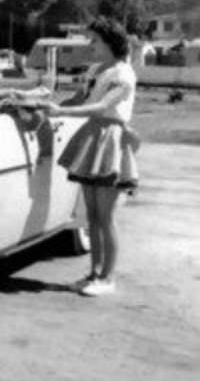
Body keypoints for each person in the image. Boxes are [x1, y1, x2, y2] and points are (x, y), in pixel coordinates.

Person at [44, 17, 139, 297]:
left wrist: (59, 112)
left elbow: (100, 107)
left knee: (106, 216)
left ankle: (108, 278)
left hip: (110, 139)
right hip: (92, 136)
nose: (90, 46)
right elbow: (79, 100)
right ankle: (94, 273)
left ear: (111, 42)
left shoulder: (124, 74)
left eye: (95, 41)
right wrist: (39, 102)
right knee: (92, 216)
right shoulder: (96, 70)